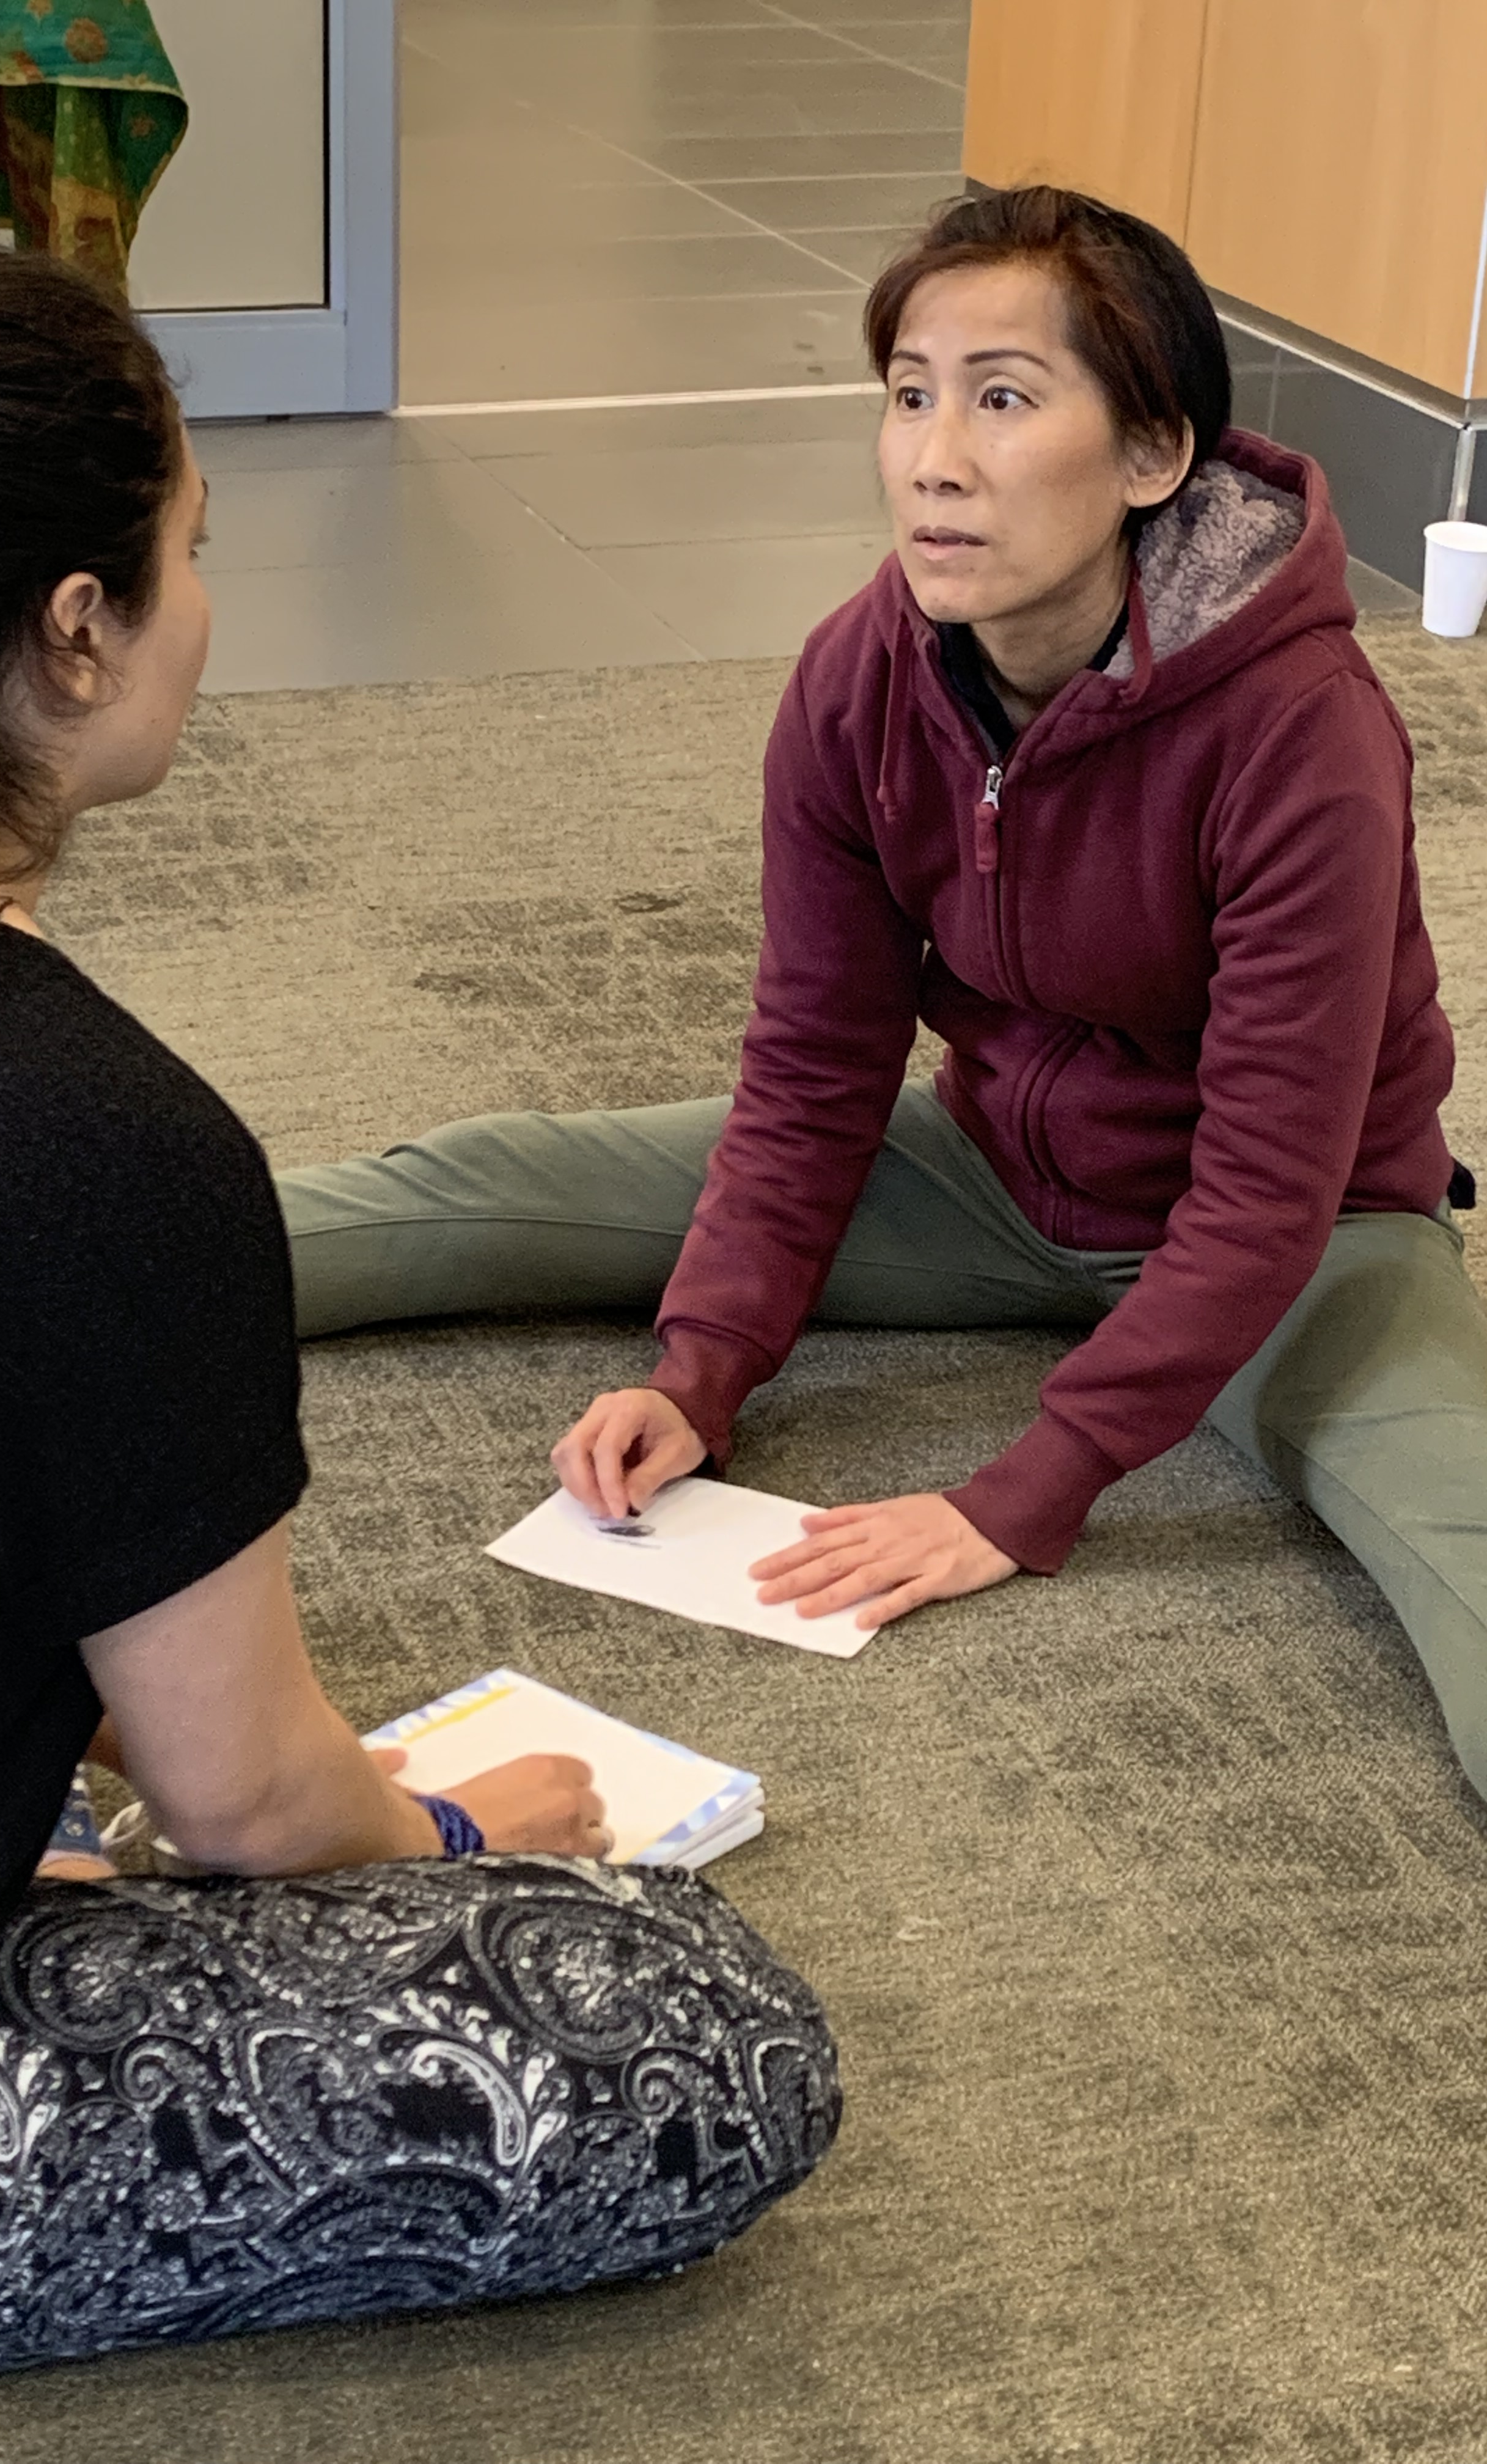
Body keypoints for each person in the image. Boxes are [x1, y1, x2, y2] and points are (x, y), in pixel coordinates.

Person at [0, 249, 838, 2397]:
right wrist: (449, 1835)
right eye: (192, 552)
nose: (206, 605)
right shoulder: (79, 1141)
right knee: (694, 2035)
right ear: (73, 631)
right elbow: (251, 1810)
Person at [280, 186, 1487, 1795]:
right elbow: (814, 1062)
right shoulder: (860, 677)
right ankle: (77, 1250)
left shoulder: (1302, 728)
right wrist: (702, 1373)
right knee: (490, 1185)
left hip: (1312, 1239)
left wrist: (1023, 1494)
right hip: (992, 1174)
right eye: (910, 393)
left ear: (1152, 454)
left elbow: (1269, 1185)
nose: (934, 457)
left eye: (1005, 398)